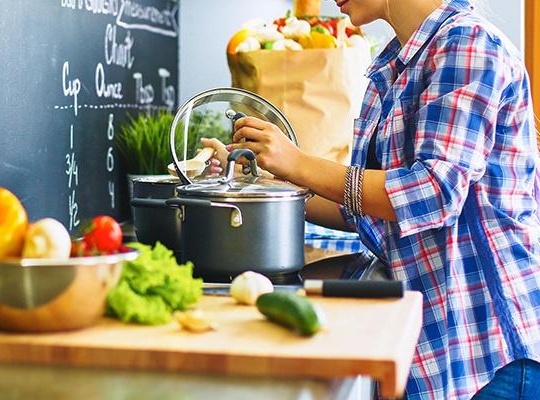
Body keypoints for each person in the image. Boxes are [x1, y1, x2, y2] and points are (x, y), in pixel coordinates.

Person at [202, 0, 540, 398]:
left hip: (489, 345)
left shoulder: (468, 43)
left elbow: (433, 192)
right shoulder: (397, 60)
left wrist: (297, 163)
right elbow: (362, 207)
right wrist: (256, 180)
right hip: (435, 335)